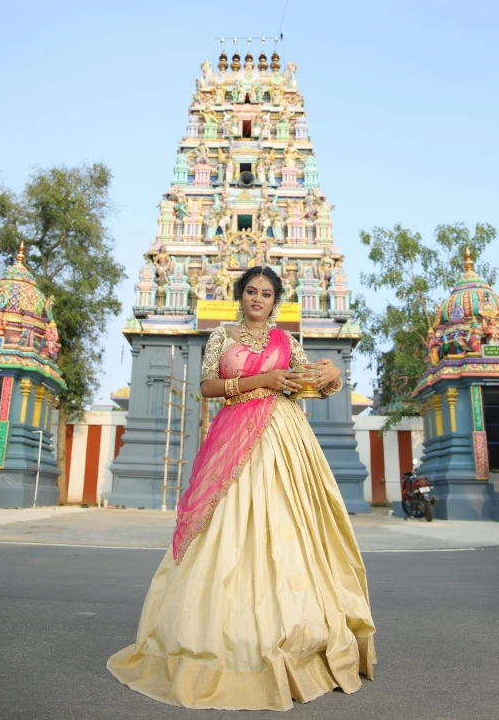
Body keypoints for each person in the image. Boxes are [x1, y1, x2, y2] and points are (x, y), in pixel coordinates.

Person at [106, 266, 376, 711]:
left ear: (276, 301)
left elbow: (304, 386)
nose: (257, 299)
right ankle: (213, 636)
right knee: (226, 526)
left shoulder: (288, 342)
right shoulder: (223, 335)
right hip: (233, 438)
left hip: (285, 441)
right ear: (240, 295)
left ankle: (296, 631)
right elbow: (209, 386)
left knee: (285, 527)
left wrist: (332, 377)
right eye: (251, 291)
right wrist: (259, 381)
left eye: (266, 293)